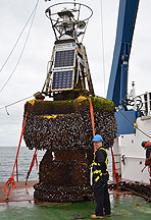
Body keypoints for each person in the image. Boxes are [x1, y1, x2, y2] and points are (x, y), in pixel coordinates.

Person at [90, 134, 111, 219]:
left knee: (99, 195)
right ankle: (107, 211)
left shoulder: (100, 152)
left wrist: (100, 174)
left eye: (97, 142)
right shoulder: (102, 151)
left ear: (101, 142)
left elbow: (101, 163)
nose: (95, 144)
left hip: (100, 177)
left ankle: (99, 214)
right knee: (105, 194)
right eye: (94, 142)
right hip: (104, 177)